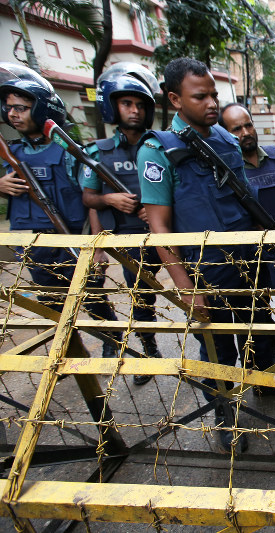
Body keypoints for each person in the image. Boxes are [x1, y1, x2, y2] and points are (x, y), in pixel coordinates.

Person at [137, 57, 275, 451]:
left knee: (258, 329)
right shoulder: (158, 150)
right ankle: (224, 412)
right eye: (200, 96)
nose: (212, 103)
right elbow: (159, 226)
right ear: (175, 100)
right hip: (205, 272)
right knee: (217, 347)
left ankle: (267, 382)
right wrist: (184, 286)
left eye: (214, 94)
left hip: (248, 263)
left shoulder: (228, 140)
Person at [0, 64, 119, 357]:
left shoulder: (68, 152)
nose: (13, 114)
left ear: (41, 110)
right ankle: (74, 353)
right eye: (9, 107)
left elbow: (91, 199)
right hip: (38, 243)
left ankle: (112, 342)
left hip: (75, 239)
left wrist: (98, 247)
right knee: (52, 303)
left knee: (92, 298)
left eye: (22, 108)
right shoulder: (12, 153)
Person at [82, 66, 163, 385]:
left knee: (194, 290)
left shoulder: (161, 146)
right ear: (112, 107)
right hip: (132, 238)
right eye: (127, 104)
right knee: (142, 297)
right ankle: (150, 353)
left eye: (140, 105)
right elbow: (89, 198)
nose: (135, 110)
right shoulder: (97, 152)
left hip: (169, 233)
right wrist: (111, 200)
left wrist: (158, 213)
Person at [219, 102, 275, 355]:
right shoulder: (227, 168)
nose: (245, 132)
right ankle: (271, 359)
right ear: (226, 134)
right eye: (236, 129)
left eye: (247, 125)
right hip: (253, 253)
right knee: (260, 310)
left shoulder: (274, 157)